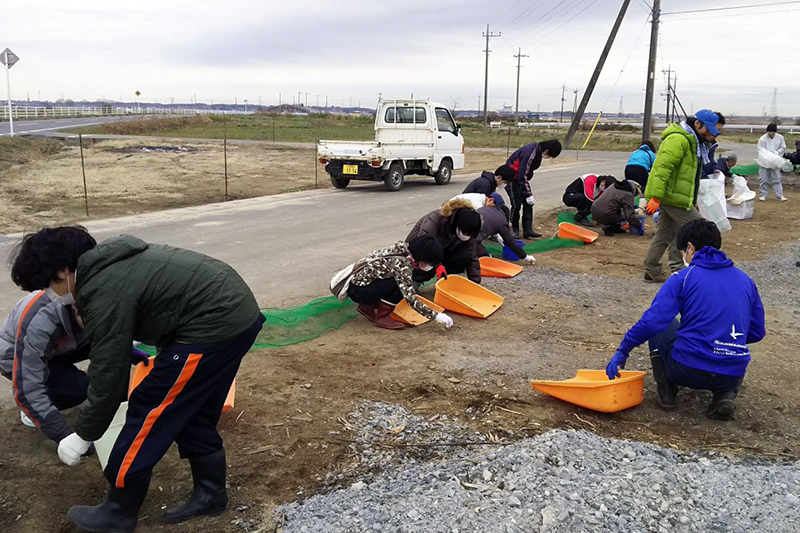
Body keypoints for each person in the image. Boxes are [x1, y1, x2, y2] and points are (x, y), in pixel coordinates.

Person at [10, 226, 265, 531]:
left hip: (213, 326)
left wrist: (83, 434)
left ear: (65, 270)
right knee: (192, 409)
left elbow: (108, 374)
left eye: (49, 284)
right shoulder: (112, 265)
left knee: (148, 406)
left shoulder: (100, 288)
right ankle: (211, 494)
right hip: (235, 318)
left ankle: (118, 510)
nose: (50, 294)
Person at [606, 219, 765, 420]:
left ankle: (668, 392)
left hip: (687, 370)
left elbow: (653, 321)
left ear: (690, 247)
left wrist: (623, 349)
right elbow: (757, 331)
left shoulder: (683, 278)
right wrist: (724, 341)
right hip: (732, 373)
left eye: (682, 251)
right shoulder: (745, 281)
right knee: (727, 353)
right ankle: (724, 395)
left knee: (665, 325)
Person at [642, 109, 724, 283]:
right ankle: (707, 270)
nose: (710, 134)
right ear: (696, 124)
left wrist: (692, 200)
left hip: (677, 196)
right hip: (672, 196)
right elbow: (662, 168)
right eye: (707, 130)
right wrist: (655, 197)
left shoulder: (694, 142)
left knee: (665, 234)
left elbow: (690, 175)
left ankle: (653, 270)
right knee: (703, 229)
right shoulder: (678, 139)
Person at [0, 291, 90, 443]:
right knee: (79, 388)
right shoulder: (39, 324)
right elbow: (27, 389)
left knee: (109, 352)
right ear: (75, 308)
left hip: (58, 347)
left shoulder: (93, 304)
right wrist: (64, 437)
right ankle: (34, 412)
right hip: (15, 357)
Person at [346, 237, 453, 330]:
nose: (430, 266)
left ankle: (367, 307)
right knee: (399, 286)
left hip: (357, 286)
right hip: (359, 291)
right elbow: (411, 299)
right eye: (431, 263)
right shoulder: (403, 265)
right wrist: (437, 316)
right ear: (423, 258)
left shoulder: (402, 250)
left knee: (394, 281)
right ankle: (382, 317)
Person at [406, 197, 482, 285]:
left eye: (469, 234)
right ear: (458, 224)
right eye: (465, 232)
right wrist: (438, 265)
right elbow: (424, 247)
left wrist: (475, 282)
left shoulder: (468, 227)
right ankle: (414, 280)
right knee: (427, 263)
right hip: (421, 250)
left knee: (464, 255)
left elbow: (473, 256)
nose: (466, 236)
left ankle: (446, 281)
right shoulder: (436, 219)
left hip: (441, 250)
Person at [505, 139, 563, 239]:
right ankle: (514, 229)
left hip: (521, 179)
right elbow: (521, 174)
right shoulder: (530, 153)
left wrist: (528, 194)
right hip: (511, 177)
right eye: (550, 155)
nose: (548, 157)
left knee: (528, 203)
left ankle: (528, 230)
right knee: (516, 204)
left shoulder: (538, 152)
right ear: (547, 151)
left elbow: (526, 173)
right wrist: (528, 194)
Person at [473, 194, 536, 264]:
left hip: (462, 228)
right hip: (471, 240)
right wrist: (526, 257)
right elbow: (511, 243)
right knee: (484, 256)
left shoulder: (482, 209)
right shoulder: (501, 221)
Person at [757, 123, 787, 201]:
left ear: (775, 132)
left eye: (772, 132)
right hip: (764, 161)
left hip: (775, 161)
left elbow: (783, 147)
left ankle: (779, 195)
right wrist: (768, 155)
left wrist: (777, 152)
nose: (770, 134)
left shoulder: (780, 137)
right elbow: (760, 149)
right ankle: (763, 195)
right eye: (769, 132)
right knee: (763, 179)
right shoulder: (762, 139)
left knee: (777, 178)